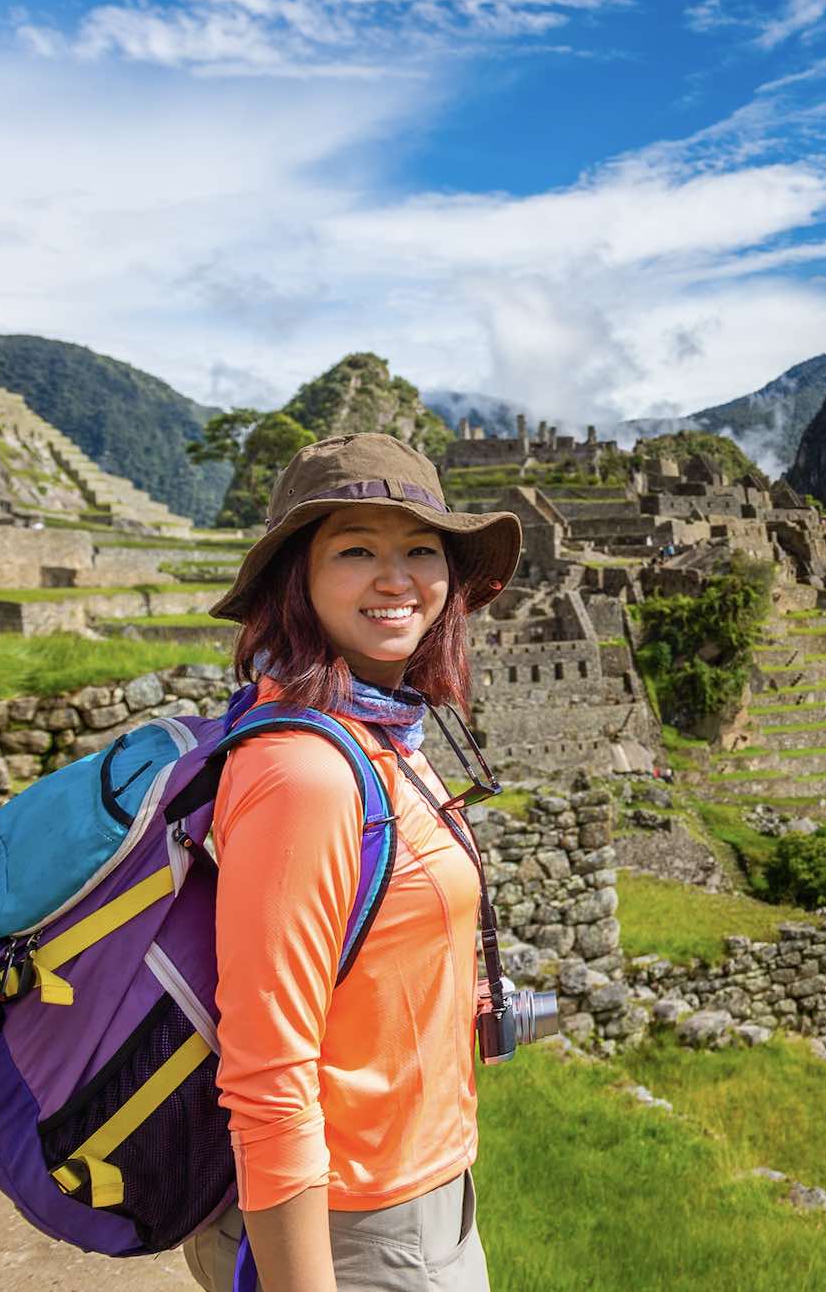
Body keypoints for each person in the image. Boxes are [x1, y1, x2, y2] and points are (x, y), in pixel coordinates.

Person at [181, 433, 520, 1292]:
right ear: (296, 576)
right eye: (357, 550)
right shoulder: (307, 774)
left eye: (420, 549)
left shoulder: (382, 728)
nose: (397, 578)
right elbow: (268, 1076)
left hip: (414, 1187)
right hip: (358, 1226)